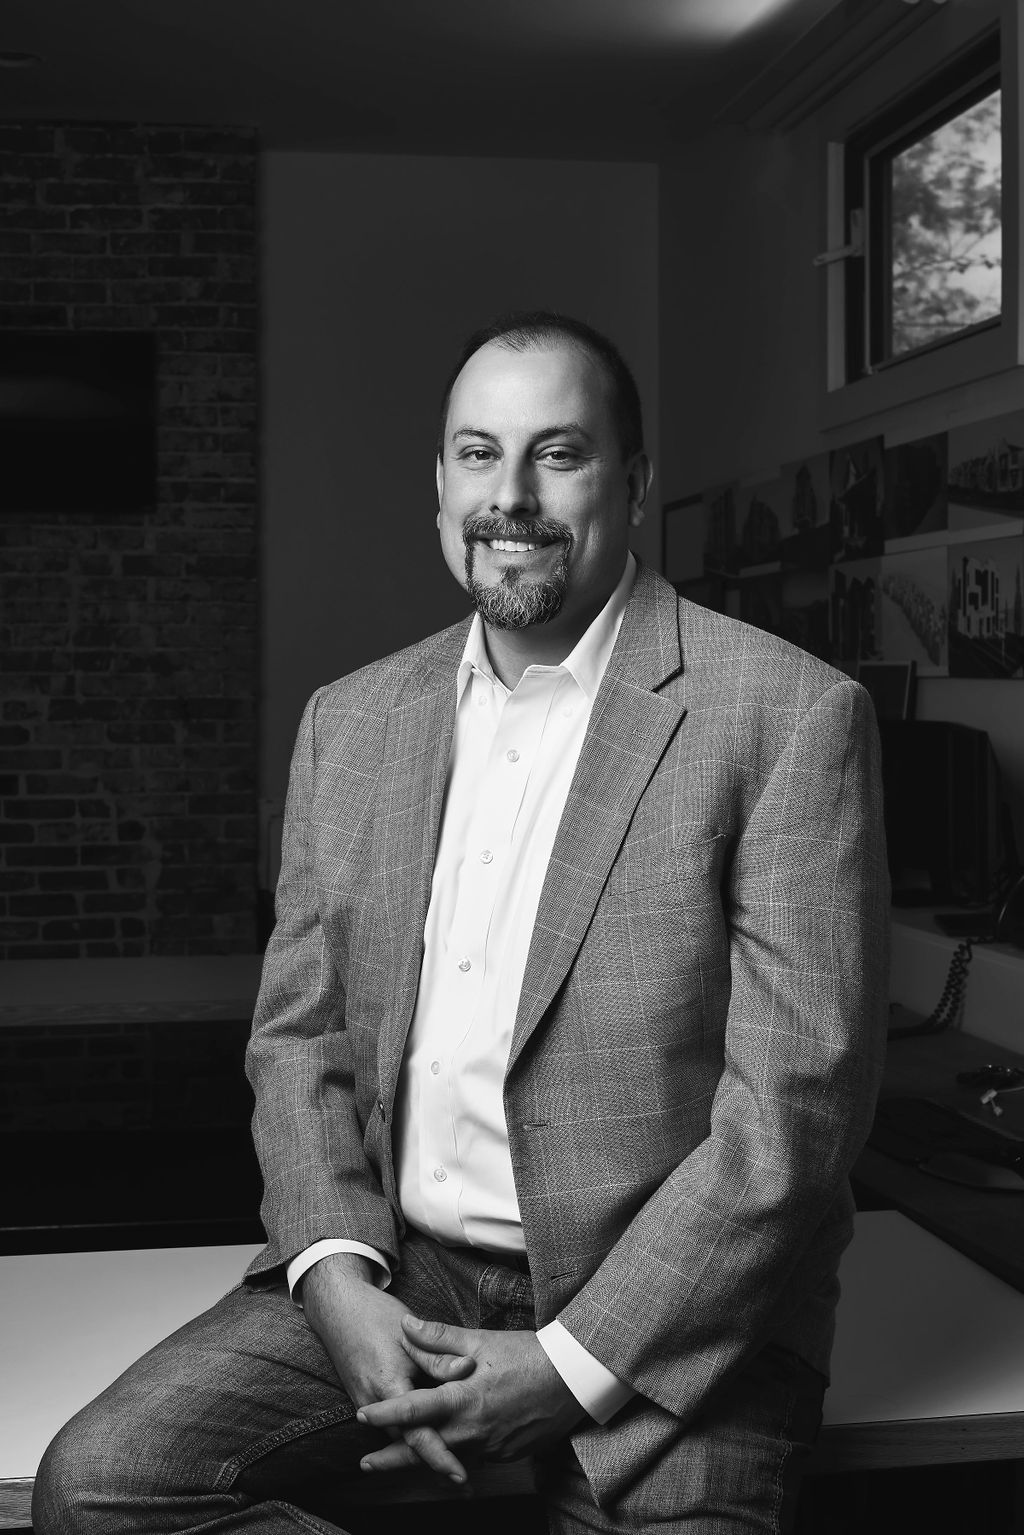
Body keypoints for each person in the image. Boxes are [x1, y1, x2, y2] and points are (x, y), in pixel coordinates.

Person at [34, 311, 889, 1535]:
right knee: (100, 1488)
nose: (512, 495)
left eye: (561, 454)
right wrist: (335, 1274)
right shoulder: (353, 720)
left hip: (671, 1305)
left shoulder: (789, 715)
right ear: (438, 486)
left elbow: (793, 1117)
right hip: (406, 1266)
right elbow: (298, 1042)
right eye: (479, 455)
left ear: (635, 484)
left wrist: (571, 1365)